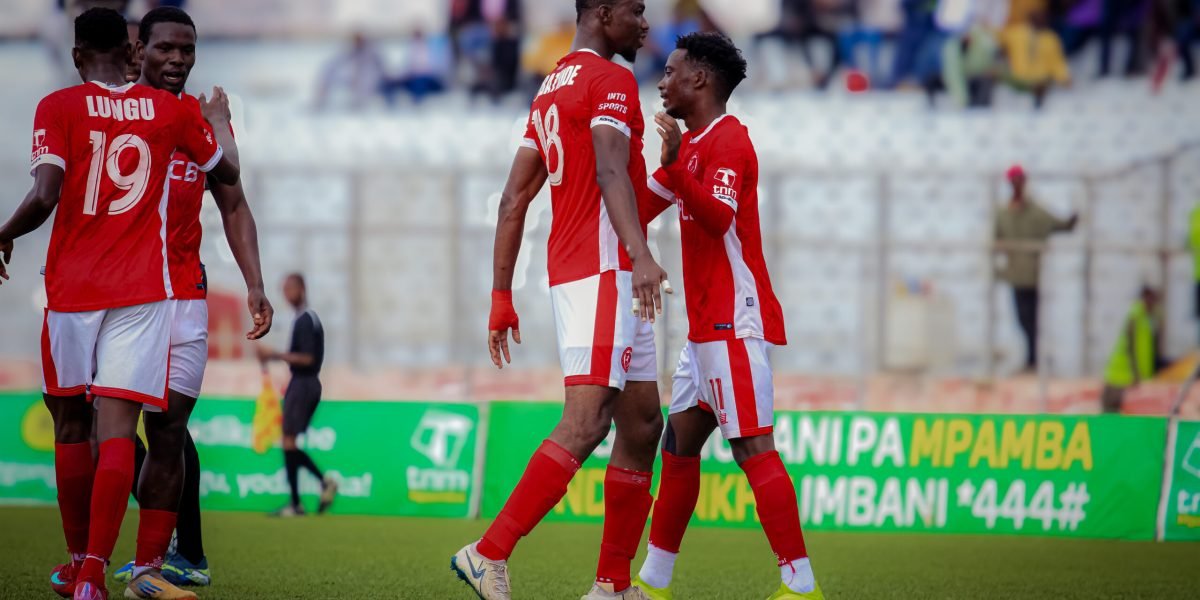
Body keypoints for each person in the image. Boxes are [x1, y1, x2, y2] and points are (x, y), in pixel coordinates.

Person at [0, 8, 240, 600]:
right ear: (132, 52)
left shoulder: (58, 106)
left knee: (70, 428)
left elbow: (45, 194)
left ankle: (75, 561)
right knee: (117, 433)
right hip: (141, 293)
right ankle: (95, 577)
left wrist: (3, 234)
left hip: (72, 290)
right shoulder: (168, 110)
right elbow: (227, 172)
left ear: (77, 54)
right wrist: (217, 124)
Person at [450, 1, 668, 599]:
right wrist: (641, 255)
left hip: (590, 269)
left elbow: (513, 199)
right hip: (604, 271)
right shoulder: (611, 78)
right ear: (603, 12)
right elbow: (608, 172)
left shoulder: (550, 86)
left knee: (642, 424)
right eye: (635, 10)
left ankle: (612, 587)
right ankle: (488, 552)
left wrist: (501, 295)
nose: (644, 23)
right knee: (587, 420)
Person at [627, 32, 824, 600]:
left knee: (752, 448)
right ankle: (653, 582)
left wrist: (674, 168)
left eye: (670, 72)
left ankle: (801, 585)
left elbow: (716, 217)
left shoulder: (730, 140)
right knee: (678, 446)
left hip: (734, 323)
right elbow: (638, 207)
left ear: (700, 79)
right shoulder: (689, 146)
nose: (661, 83)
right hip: (702, 332)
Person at [106, 6, 274, 589]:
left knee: (169, 426)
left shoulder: (201, 123)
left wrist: (255, 284)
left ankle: (179, 555)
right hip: (118, 296)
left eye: (188, 50)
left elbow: (234, 202)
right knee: (108, 425)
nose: (178, 59)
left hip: (181, 293)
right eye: (165, 48)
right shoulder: (112, 115)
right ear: (138, 52)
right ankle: (129, 551)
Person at [257, 273, 337, 517]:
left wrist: (274, 355)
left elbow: (308, 358)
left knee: (289, 441)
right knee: (288, 441)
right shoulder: (302, 319)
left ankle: (303, 498)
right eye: (284, 289)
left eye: (290, 288)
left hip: (305, 382)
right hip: (300, 383)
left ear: (302, 288)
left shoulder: (306, 319)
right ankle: (303, 498)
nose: (287, 294)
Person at [993, 164, 1077, 373]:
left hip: (1034, 275)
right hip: (1016, 275)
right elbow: (995, 239)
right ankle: (1032, 359)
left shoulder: (1036, 212)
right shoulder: (1003, 213)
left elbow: (1063, 225)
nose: (1017, 185)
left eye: (1019, 180)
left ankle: (1034, 360)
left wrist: (1076, 213)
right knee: (1023, 319)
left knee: (1032, 320)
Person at [1101, 287, 1161, 413]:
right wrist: (1135, 372)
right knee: (1111, 409)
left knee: (1124, 409)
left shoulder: (1147, 317)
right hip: (1121, 370)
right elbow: (1131, 345)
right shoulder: (1136, 314)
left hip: (1130, 372)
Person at [1000, 11, 1070, 108]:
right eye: (1036, 18)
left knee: (1042, 85)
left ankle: (1037, 106)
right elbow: (1000, 40)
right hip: (1018, 78)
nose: (1039, 21)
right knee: (998, 73)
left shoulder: (1051, 38)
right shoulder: (1016, 32)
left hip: (1040, 80)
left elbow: (1057, 62)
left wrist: (1064, 78)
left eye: (1041, 19)